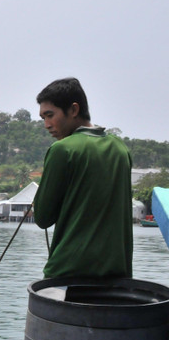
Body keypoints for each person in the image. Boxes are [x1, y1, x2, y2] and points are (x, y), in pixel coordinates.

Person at [33, 77, 133, 279]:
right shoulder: (120, 149)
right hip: (118, 278)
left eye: (50, 115)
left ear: (73, 110)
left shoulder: (62, 149)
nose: (46, 124)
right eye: (43, 118)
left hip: (68, 272)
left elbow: (43, 217)